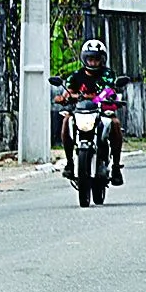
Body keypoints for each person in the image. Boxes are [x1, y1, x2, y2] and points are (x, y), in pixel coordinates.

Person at [56, 39, 123, 184]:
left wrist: (101, 98)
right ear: (84, 59)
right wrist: (63, 98)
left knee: (115, 124)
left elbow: (110, 90)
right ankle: (69, 163)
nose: (93, 62)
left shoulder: (108, 74)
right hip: (80, 111)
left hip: (102, 111)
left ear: (102, 60)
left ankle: (116, 167)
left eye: (96, 59)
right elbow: (68, 91)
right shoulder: (76, 75)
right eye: (90, 59)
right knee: (66, 121)